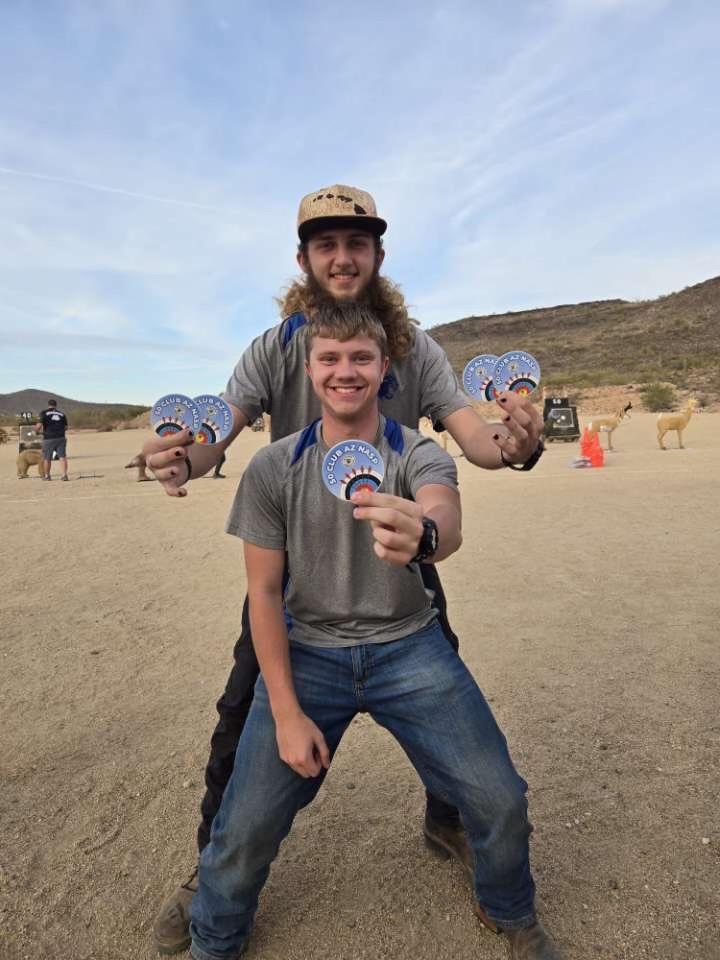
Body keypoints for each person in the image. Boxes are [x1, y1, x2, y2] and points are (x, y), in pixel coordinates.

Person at [144, 184, 545, 954]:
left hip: (397, 555)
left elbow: (478, 446)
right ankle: (212, 875)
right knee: (243, 724)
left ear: (377, 255)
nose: (341, 256)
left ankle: (451, 823)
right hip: (296, 567)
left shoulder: (414, 349)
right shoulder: (276, 346)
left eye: (355, 243)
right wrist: (181, 458)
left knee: (445, 709)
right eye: (325, 244)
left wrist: (521, 444)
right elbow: (217, 433)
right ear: (303, 258)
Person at [36, 398, 69, 481]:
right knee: (62, 457)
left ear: (48, 405)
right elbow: (66, 427)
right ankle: (64, 475)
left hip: (48, 438)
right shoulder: (62, 414)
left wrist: (37, 432)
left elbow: (39, 426)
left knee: (47, 458)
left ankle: (47, 476)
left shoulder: (44, 413)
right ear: (56, 405)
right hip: (61, 438)